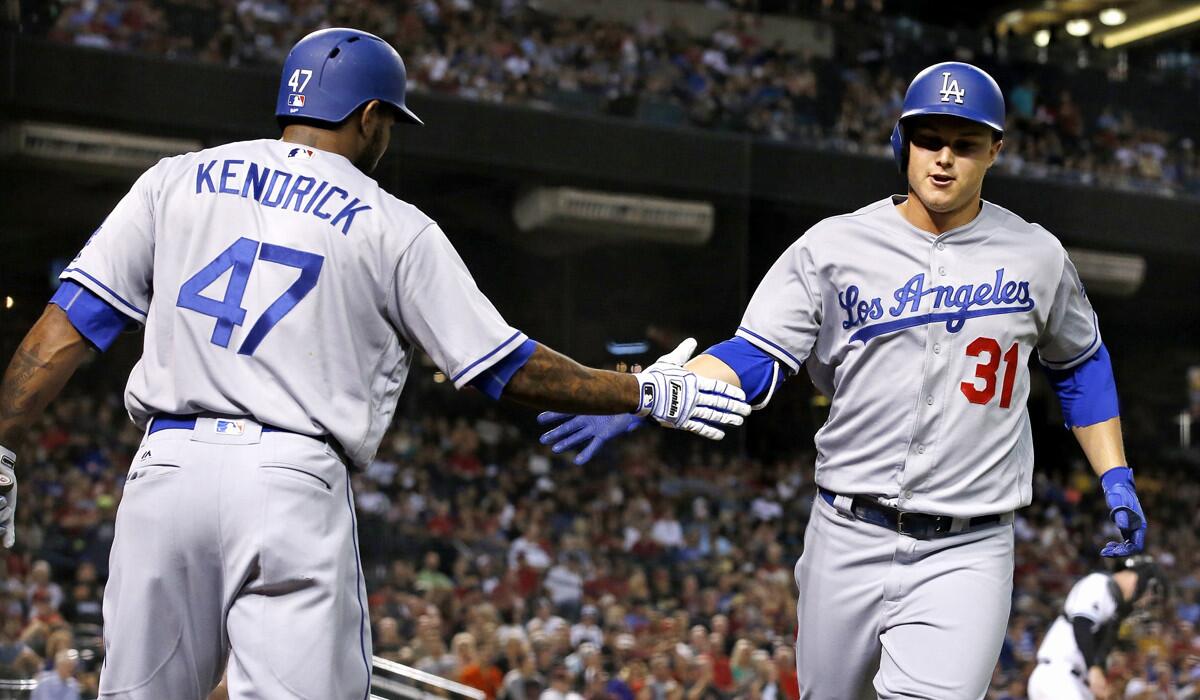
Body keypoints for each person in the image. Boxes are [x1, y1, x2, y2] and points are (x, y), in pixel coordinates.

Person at [0, 28, 749, 700]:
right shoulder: (394, 224)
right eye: (387, 120)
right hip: (288, 479)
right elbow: (507, 367)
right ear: (367, 117)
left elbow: (64, 331)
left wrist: (1, 446)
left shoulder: (177, 179)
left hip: (164, 473)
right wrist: (642, 389)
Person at [538, 61, 1147, 699]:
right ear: (901, 141)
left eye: (964, 144)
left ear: (995, 150)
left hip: (968, 548)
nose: (943, 159)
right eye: (928, 139)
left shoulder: (1037, 256)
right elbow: (756, 356)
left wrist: (1115, 474)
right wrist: (643, 396)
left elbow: (1080, 360)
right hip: (847, 532)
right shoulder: (832, 247)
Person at [1027, 555, 1167, 700]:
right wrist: (1093, 669)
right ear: (1136, 579)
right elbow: (1081, 625)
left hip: (1075, 682)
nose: (1144, 602)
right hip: (1057, 675)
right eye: (1149, 593)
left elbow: (1101, 648)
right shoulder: (1098, 583)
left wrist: (1101, 679)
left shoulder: (1113, 607)